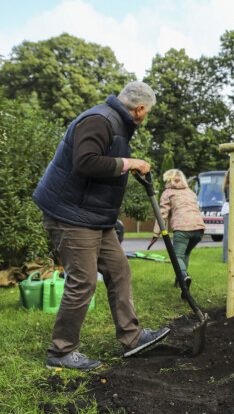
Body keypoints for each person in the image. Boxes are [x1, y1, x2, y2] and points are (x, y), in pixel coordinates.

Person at [32, 82, 170, 371]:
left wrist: (126, 164)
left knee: (119, 270)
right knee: (83, 281)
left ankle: (132, 337)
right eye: (147, 113)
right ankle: (61, 352)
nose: (145, 118)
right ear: (141, 108)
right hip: (70, 214)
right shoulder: (100, 120)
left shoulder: (116, 123)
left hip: (95, 217)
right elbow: (85, 162)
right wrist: (128, 162)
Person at [149, 169, 205, 297]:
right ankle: (178, 281)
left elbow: (162, 214)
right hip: (199, 228)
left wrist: (155, 234)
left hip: (183, 228)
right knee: (185, 253)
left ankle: (183, 277)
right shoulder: (190, 192)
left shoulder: (168, 192)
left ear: (169, 180)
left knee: (176, 256)